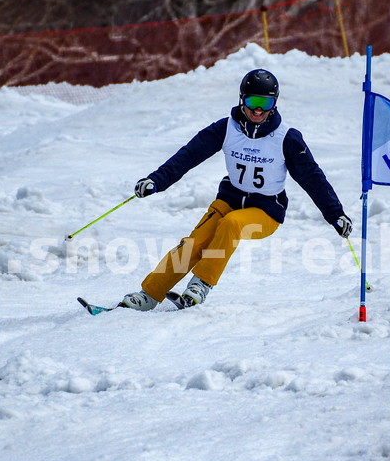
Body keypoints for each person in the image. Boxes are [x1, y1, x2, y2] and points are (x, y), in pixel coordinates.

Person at [119, 68, 353, 310]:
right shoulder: (226, 128)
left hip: (266, 211)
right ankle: (148, 295)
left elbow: (312, 178)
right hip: (229, 200)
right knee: (194, 243)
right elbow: (189, 155)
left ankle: (202, 283)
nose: (258, 110)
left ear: (274, 104)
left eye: (266, 103)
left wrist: (335, 214)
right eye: (253, 102)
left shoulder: (287, 138)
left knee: (232, 223)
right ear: (242, 100)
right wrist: (156, 180)